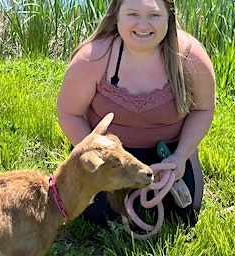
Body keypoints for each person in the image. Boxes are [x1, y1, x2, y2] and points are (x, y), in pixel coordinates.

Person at [56, 0, 215, 228]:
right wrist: (98, 156)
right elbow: (70, 113)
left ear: (169, 17)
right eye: (132, 14)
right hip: (108, 154)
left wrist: (180, 156)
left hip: (167, 153)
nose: (143, 24)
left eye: (153, 15)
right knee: (96, 217)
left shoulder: (190, 56)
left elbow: (203, 109)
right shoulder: (92, 58)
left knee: (182, 217)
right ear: (117, 16)